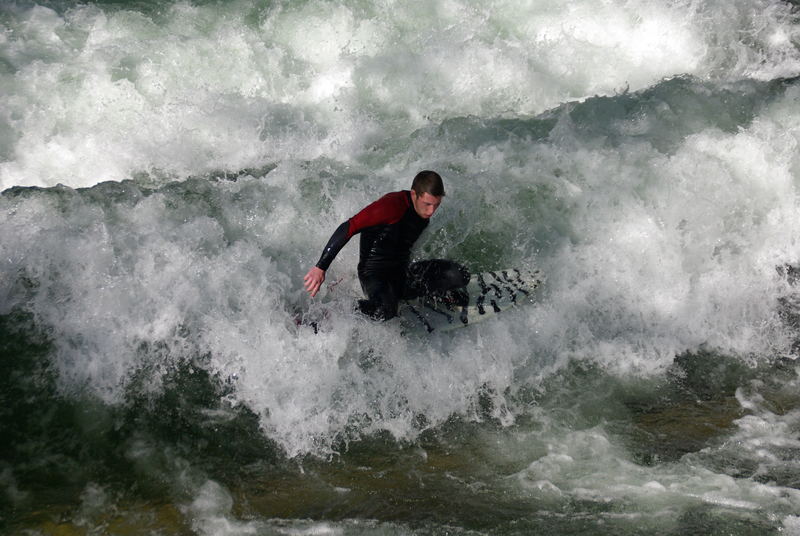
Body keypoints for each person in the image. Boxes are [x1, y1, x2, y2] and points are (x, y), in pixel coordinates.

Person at [303, 170, 469, 320]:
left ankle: (424, 296)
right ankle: (334, 311)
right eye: (427, 204)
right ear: (414, 194)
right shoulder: (391, 206)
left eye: (436, 205)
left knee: (460, 275)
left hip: (402, 274)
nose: (431, 211)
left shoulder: (422, 211)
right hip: (375, 275)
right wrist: (321, 267)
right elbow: (349, 226)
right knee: (385, 310)